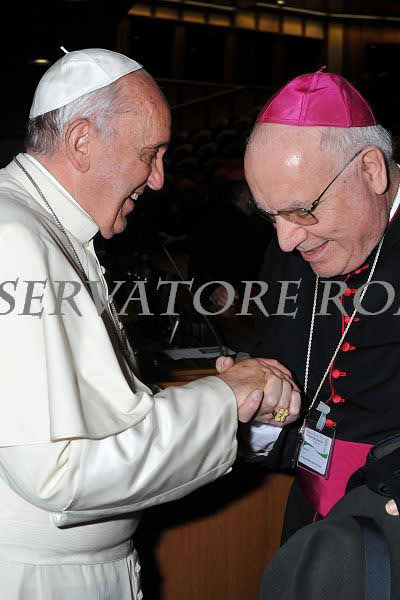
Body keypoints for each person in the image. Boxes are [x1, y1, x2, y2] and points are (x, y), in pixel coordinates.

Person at [0, 48, 301, 599]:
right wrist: (223, 398)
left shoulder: (46, 230)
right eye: (150, 154)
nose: (159, 179)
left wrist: (236, 408)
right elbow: (59, 472)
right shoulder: (14, 237)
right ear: (82, 141)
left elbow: (107, 418)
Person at [241, 69, 400, 542]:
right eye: (271, 216)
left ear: (370, 170)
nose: (286, 241)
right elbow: (284, 389)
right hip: (312, 520)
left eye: (302, 210)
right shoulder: (290, 251)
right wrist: (262, 407)